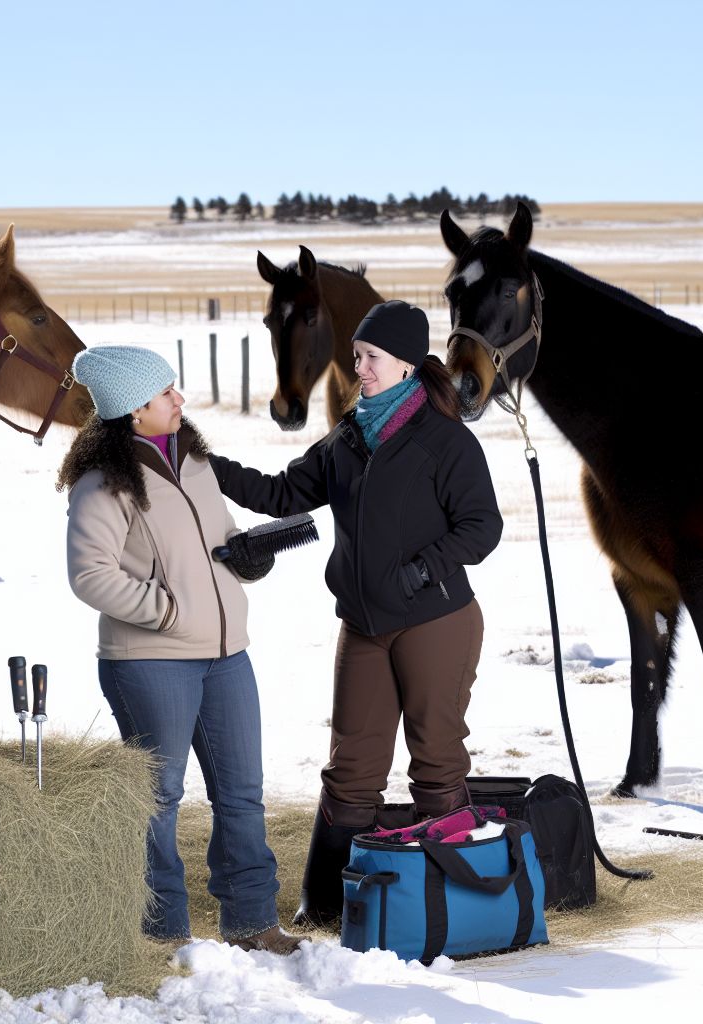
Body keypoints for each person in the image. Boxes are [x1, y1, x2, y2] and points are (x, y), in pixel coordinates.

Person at [209, 300, 503, 926]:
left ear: (403, 364)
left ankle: (443, 908)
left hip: (436, 624)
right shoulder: (350, 436)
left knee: (437, 762)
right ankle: (326, 910)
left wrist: (422, 569)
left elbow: (483, 527)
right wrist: (206, 466)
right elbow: (283, 493)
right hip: (365, 627)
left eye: (369, 359)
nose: (358, 369)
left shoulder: (444, 440)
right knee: (350, 771)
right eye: (357, 358)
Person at [59, 344, 301, 954]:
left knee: (242, 792)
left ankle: (253, 923)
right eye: (167, 392)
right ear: (134, 410)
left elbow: (215, 543)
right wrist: (165, 609)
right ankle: (161, 935)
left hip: (226, 654)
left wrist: (248, 557)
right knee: (158, 799)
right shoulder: (103, 484)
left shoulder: (194, 462)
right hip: (150, 663)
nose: (180, 399)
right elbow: (90, 574)